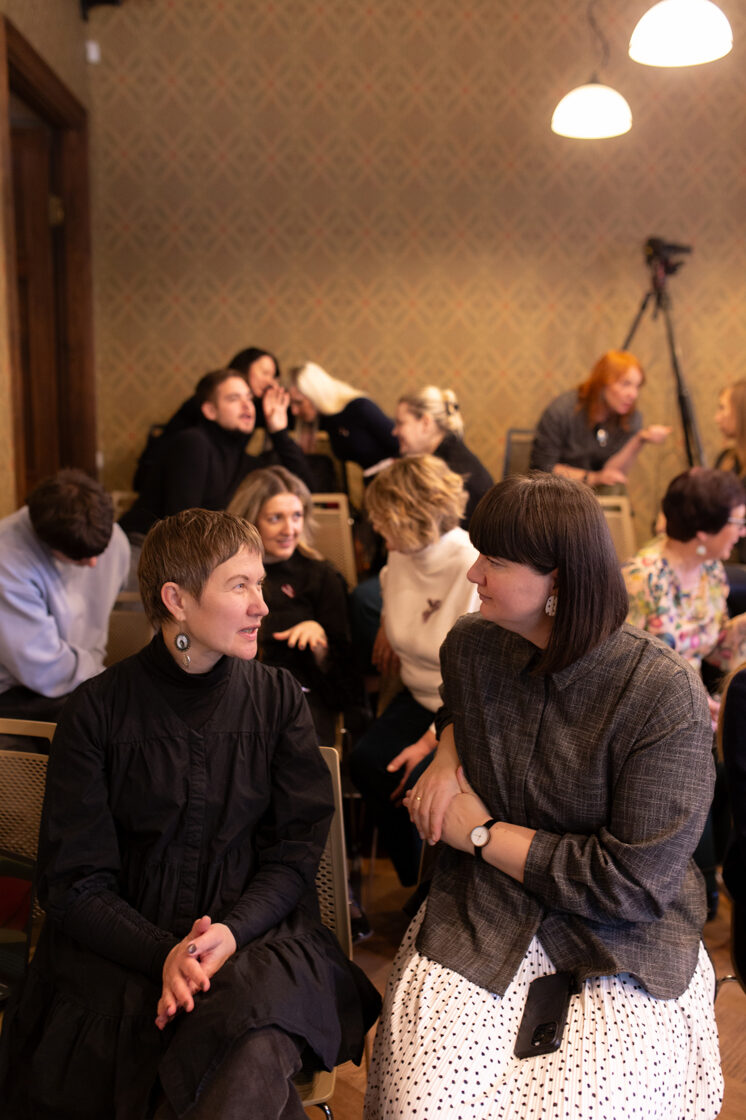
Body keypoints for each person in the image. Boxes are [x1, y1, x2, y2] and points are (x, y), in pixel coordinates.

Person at [0, 508, 380, 1120]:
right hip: (122, 948)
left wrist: (228, 933)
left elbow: (292, 856)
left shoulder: (277, 699)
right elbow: (75, 882)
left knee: (247, 1037)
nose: (261, 605)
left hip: (256, 937)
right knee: (201, 1060)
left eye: (260, 584)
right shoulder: (95, 711)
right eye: (239, 586)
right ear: (176, 600)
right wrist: (164, 955)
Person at [364, 473, 723, 1120]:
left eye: (496, 562)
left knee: (595, 1102)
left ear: (557, 579)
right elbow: (460, 707)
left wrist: (481, 834)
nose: (474, 573)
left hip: (620, 931)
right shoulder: (473, 647)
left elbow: (634, 885)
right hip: (487, 906)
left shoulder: (660, 694)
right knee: (424, 1102)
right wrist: (446, 751)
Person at [348, 456, 479, 887]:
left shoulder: (470, 565)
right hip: (418, 694)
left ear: (409, 515)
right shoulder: (401, 553)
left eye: (381, 516)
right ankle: (414, 883)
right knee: (368, 762)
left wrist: (429, 742)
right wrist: (388, 622)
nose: (373, 525)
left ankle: (438, 891)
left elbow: (476, 683)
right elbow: (397, 588)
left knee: (419, 786)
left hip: (461, 711)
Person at [227, 467, 357, 744]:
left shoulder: (321, 576)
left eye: (297, 516)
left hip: (300, 697)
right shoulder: (225, 574)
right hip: (236, 691)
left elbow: (347, 679)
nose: (290, 530)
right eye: (275, 518)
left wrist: (320, 645)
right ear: (250, 520)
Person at [121, 367, 314, 539]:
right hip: (142, 545)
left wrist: (279, 433)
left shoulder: (245, 460)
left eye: (249, 398)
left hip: (193, 553)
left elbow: (303, 488)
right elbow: (183, 524)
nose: (247, 405)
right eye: (234, 398)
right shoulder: (193, 443)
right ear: (210, 411)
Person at [0, 469, 129, 722]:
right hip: (17, 687)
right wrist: (108, 681)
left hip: (82, 672)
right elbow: (43, 668)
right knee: (113, 721)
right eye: (78, 558)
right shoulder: (8, 559)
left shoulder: (114, 539)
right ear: (46, 542)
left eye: (98, 553)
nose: (92, 563)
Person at [622, 467, 746, 729]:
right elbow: (622, 671)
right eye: (738, 522)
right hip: (649, 717)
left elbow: (714, 649)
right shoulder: (642, 579)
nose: (742, 532)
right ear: (704, 529)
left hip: (695, 708)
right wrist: (696, 703)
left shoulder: (710, 568)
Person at [530, 350, 670, 487]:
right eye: (625, 384)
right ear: (602, 383)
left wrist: (639, 440)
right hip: (557, 492)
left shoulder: (631, 418)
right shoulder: (561, 411)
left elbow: (613, 473)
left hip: (599, 494)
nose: (633, 394)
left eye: (637, 386)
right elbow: (542, 468)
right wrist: (593, 478)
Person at [393, 385, 493, 525]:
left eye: (400, 423)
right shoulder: (448, 458)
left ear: (425, 423)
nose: (394, 432)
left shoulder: (448, 472)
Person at [288, 362, 398, 471]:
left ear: (316, 395)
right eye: (291, 403)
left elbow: (399, 444)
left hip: (390, 477)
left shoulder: (360, 408)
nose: (294, 410)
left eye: (299, 402)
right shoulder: (327, 419)